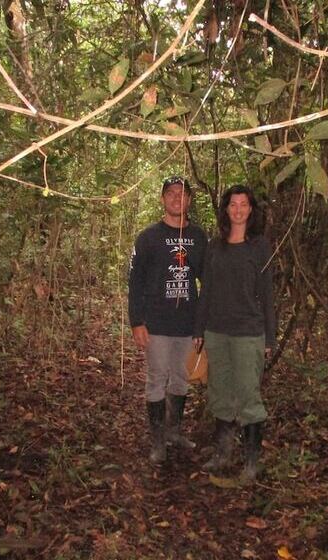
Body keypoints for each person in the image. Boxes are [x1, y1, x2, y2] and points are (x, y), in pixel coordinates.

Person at [193, 185, 276, 482]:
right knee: (220, 393)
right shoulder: (215, 246)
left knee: (248, 395)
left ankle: (252, 462)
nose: (238, 210)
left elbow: (267, 293)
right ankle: (223, 452)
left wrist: (270, 337)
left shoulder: (259, 246)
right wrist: (199, 328)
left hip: (248, 332)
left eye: (243, 204)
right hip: (217, 331)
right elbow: (206, 290)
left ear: (251, 209)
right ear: (226, 209)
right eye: (233, 204)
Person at [128, 176, 208, 465]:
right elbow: (135, 282)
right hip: (156, 323)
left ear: (189, 200)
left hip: (187, 323)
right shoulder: (148, 237)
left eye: (182, 193)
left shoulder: (198, 237)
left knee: (181, 378)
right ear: (162, 199)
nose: (177, 198)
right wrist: (136, 321)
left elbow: (207, 282)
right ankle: (158, 440)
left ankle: (174, 431)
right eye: (171, 193)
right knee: (157, 378)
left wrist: (203, 324)